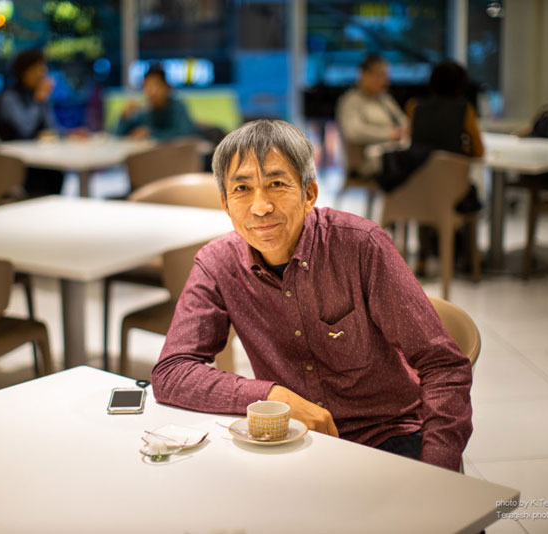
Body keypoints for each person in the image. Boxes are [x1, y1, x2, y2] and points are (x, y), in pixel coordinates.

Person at [151, 120, 473, 472]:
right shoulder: (218, 264)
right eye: (242, 189)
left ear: (309, 194)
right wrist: (272, 395)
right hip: (290, 439)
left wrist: (438, 470)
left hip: (387, 434)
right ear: (225, 204)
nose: (260, 206)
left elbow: (442, 364)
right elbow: (172, 372)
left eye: (276, 184)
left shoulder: (360, 246)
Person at [404, 60, 485, 273]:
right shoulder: (465, 110)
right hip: (452, 190)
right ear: (460, 84)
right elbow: (478, 151)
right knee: (470, 192)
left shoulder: (414, 107)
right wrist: (458, 152)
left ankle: (422, 258)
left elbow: (413, 140)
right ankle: (469, 258)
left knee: (426, 189)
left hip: (419, 186)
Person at [0, 49, 68, 196]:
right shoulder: (9, 98)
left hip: (39, 161)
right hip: (16, 165)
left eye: (44, 68)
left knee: (56, 172)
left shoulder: (36, 97)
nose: (43, 73)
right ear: (24, 71)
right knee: (47, 177)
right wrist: (39, 100)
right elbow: (25, 129)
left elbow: (50, 129)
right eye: (38, 68)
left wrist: (69, 133)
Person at [336, 54, 409, 176]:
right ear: (364, 75)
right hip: (370, 161)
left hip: (395, 152)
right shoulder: (351, 101)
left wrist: (403, 131)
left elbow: (403, 122)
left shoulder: (385, 99)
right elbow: (353, 132)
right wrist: (390, 134)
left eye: (386, 76)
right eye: (380, 75)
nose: (386, 81)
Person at [115, 64, 198, 141]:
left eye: (156, 86)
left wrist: (151, 134)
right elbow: (117, 134)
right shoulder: (144, 111)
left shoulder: (177, 107)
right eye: (147, 86)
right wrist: (125, 117)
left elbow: (187, 133)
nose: (152, 92)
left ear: (166, 87)